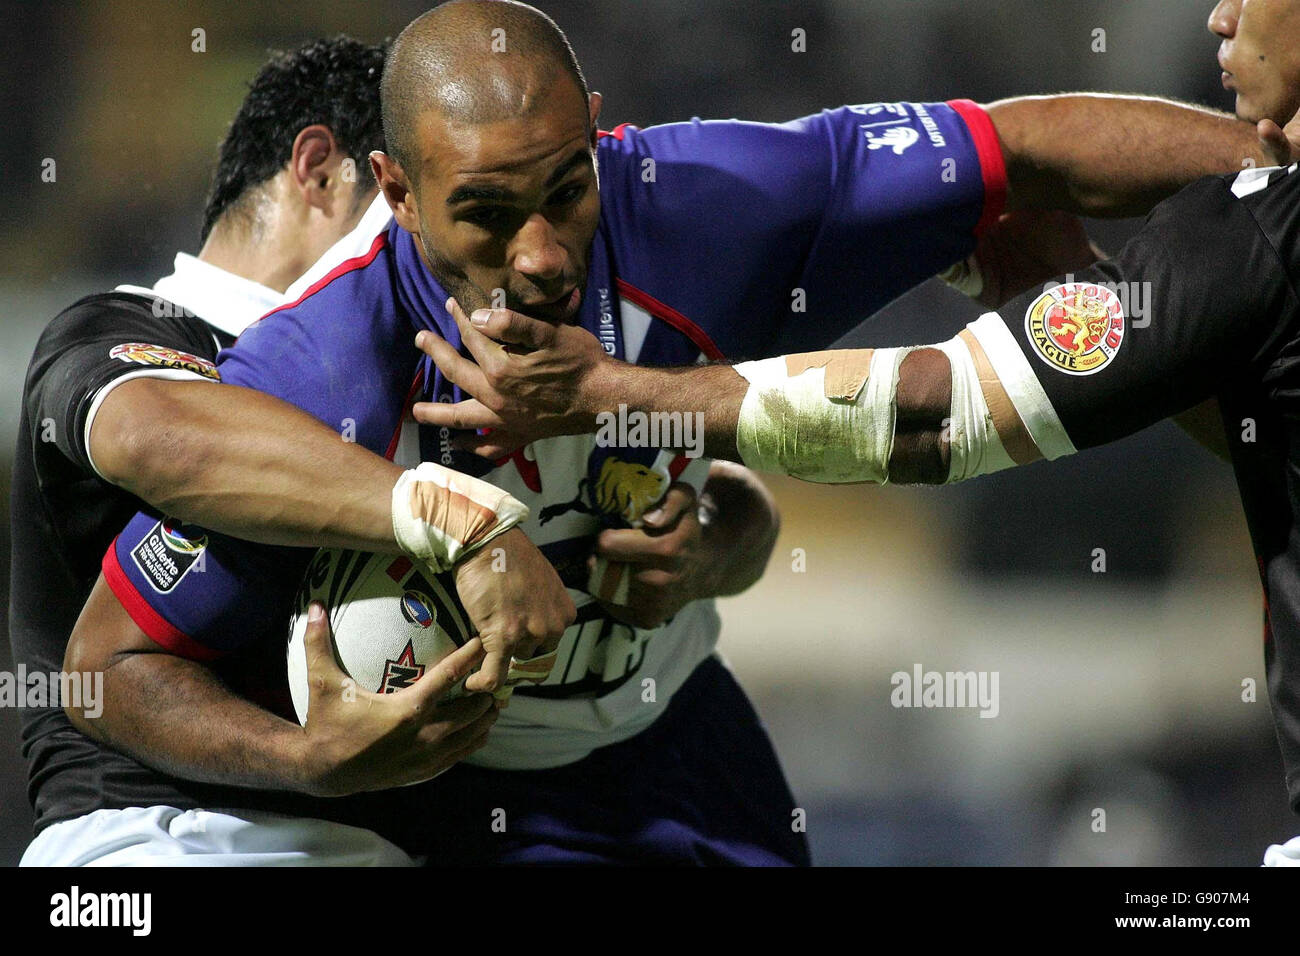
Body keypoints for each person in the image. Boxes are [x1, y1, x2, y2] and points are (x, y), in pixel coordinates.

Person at [84, 0, 1299, 865]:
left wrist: (1272, 173)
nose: (544, 252)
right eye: (487, 215)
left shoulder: (702, 204)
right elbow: (106, 666)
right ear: (394, 191)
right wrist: (310, 766)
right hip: (456, 802)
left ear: (602, 133)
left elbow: (1015, 146)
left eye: (565, 187)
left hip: (682, 733)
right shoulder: (318, 366)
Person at [14, 35, 575, 868]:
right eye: (413, 205)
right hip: (157, 842)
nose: (452, 253)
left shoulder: (421, 378)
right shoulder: (118, 334)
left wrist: (720, 532)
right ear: (321, 169)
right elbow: (165, 439)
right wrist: (456, 523)